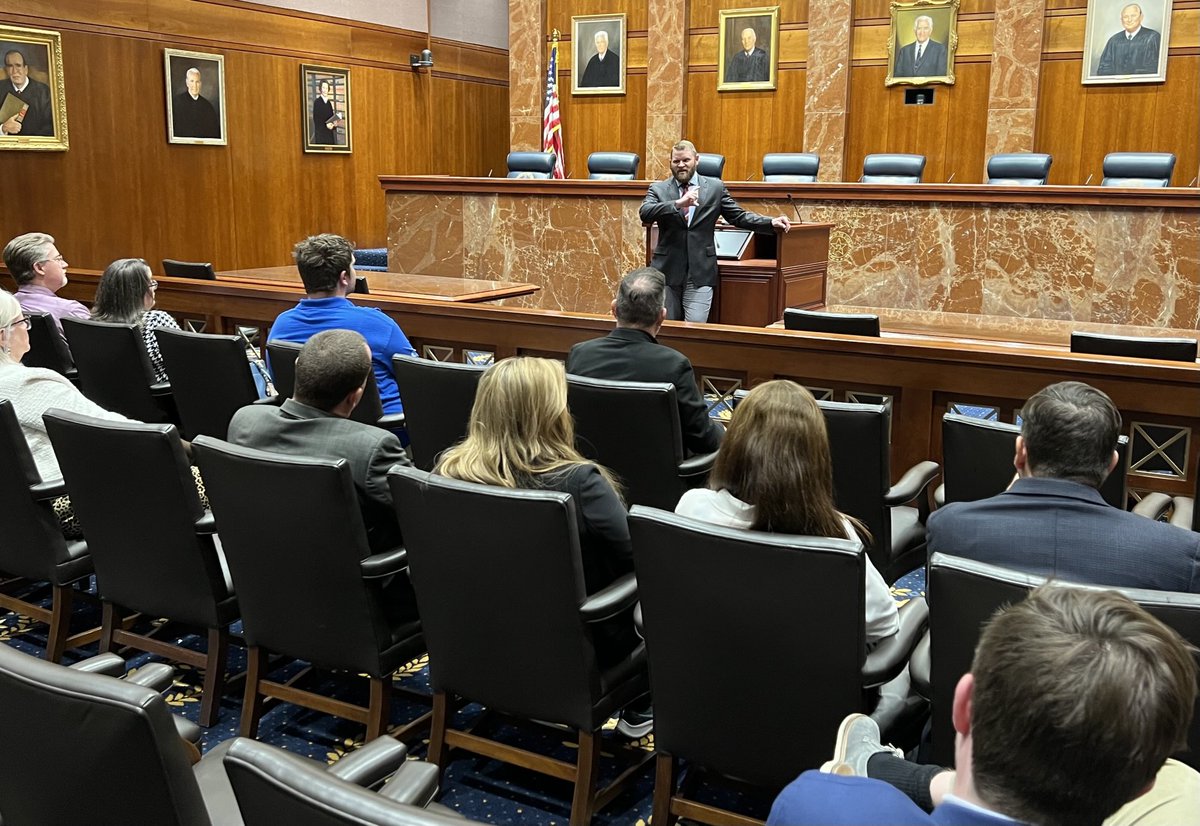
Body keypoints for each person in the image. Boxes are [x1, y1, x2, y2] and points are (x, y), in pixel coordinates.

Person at [767, 586, 1199, 826]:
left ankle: (901, 774)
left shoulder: (815, 806)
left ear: (963, 705)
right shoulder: (1168, 789)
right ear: (1145, 786)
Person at [435, 356, 647, 735]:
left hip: (474, 638)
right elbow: (640, 556)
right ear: (550, 414)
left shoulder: (446, 473)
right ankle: (641, 706)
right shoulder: (580, 482)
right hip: (575, 650)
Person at [675, 381, 899, 645]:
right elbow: (884, 624)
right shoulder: (834, 533)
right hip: (810, 682)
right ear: (815, 459)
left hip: (708, 676)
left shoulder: (692, 507)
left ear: (733, 445)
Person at [927, 381, 1200, 593]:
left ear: (1021, 452)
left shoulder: (950, 526)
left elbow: (942, 613)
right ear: (1112, 463)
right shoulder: (1179, 554)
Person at [228, 329, 410, 554]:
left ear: (297, 367)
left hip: (260, 573)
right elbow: (425, 516)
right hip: (360, 582)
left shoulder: (245, 421)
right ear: (355, 397)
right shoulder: (372, 448)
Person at [566, 267, 723, 456]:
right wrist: (723, 432)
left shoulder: (580, 354)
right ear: (662, 316)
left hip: (591, 475)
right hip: (659, 483)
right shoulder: (675, 365)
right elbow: (703, 440)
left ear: (614, 309)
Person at [639, 140, 791, 323]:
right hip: (667, 272)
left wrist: (770, 222)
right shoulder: (659, 189)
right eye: (676, 162)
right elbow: (645, 213)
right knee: (666, 329)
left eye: (686, 160)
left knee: (695, 328)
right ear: (670, 162)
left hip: (700, 272)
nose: (681, 165)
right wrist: (678, 204)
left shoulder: (715, 188)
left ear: (697, 160)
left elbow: (738, 216)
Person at [268, 233, 416, 418]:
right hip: (386, 429)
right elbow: (415, 380)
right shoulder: (377, 323)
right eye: (353, 266)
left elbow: (278, 380)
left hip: (308, 426)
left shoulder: (281, 325)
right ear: (344, 277)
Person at [91, 258, 180, 384]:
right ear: (136, 292)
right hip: (162, 398)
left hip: (105, 399)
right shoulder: (155, 321)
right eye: (150, 283)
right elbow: (186, 364)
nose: (154, 288)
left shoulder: (90, 324)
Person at [3, 232, 89, 334]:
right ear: (39, 268)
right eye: (58, 259)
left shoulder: (5, 309)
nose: (65, 264)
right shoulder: (71, 312)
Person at [1097, 3, 1161, 76]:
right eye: (1125, 17)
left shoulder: (1152, 37)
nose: (1129, 20)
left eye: (1133, 16)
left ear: (1141, 17)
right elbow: (1104, 68)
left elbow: (1153, 68)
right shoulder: (1114, 40)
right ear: (1121, 20)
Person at [1, 48, 53, 137]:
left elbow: (51, 127)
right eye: (10, 66)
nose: (14, 71)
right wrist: (2, 129)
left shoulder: (44, 91)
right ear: (6, 69)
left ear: (26, 69)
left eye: (18, 65)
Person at [172, 67, 221, 139]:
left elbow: (214, 133)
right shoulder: (177, 103)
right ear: (187, 83)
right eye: (192, 81)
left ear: (200, 84)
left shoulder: (207, 106)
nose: (194, 85)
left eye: (197, 82)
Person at [311, 80, 338, 144]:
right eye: (323, 88)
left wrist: (334, 124)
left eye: (326, 88)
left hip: (329, 134)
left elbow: (331, 117)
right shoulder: (317, 102)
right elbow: (316, 121)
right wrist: (326, 125)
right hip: (321, 135)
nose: (325, 90)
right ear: (320, 89)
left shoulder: (329, 103)